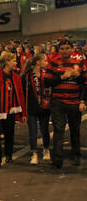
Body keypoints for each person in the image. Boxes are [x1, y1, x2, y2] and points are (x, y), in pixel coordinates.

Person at [44, 40, 86, 168]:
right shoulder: (53, 62)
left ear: (72, 50)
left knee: (75, 130)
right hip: (58, 102)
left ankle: (76, 156)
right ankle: (57, 160)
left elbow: (85, 82)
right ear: (59, 50)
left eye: (67, 48)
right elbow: (46, 82)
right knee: (58, 130)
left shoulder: (79, 62)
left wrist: (77, 75)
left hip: (74, 102)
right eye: (62, 48)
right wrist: (61, 77)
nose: (65, 50)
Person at [0, 52, 27, 169]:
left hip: (10, 110)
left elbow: (20, 95)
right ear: (7, 62)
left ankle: (9, 155)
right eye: (13, 61)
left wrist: (23, 112)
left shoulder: (16, 77)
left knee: (10, 133)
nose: (16, 63)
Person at [21, 54, 51, 165]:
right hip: (32, 107)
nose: (46, 62)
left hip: (45, 107)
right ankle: (34, 153)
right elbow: (22, 93)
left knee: (45, 130)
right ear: (38, 62)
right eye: (44, 60)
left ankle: (46, 149)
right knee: (33, 132)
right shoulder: (27, 76)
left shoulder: (46, 74)